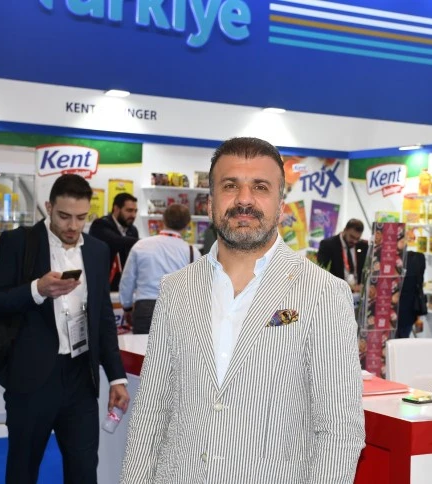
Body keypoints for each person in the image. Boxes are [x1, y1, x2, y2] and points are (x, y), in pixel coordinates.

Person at [120, 137, 365, 483]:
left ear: (280, 205)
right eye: (230, 185)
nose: (244, 199)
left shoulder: (323, 293)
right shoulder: (176, 289)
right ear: (210, 203)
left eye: (260, 187)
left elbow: (339, 430)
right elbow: (151, 409)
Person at [0, 174, 130, 484]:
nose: (73, 226)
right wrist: (36, 289)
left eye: (81, 217)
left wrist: (116, 377)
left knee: (84, 471)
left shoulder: (97, 250)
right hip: (32, 380)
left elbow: (103, 318)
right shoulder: (19, 242)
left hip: (81, 379)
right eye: (64, 216)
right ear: (49, 208)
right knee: (22, 471)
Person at [119, 204, 199, 334]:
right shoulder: (192, 252)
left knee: (143, 347)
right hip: (177, 309)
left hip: (145, 307)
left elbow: (127, 279)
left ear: (163, 220)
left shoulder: (141, 245)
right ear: (187, 225)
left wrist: (127, 307)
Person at [88, 192, 139, 291]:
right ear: (116, 209)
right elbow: (116, 241)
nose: (133, 215)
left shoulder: (133, 230)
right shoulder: (100, 224)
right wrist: (146, 242)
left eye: (135, 211)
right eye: (129, 210)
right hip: (100, 281)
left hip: (123, 283)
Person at [316, 218, 369, 291]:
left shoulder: (363, 246)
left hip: (358, 292)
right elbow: (322, 272)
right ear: (345, 230)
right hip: (336, 291)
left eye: (357, 238)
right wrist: (346, 287)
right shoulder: (328, 245)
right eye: (352, 237)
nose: (354, 241)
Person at [396, 251, 427, 338]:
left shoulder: (396, 260)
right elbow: (419, 283)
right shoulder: (418, 258)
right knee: (403, 337)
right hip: (410, 310)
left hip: (398, 310)